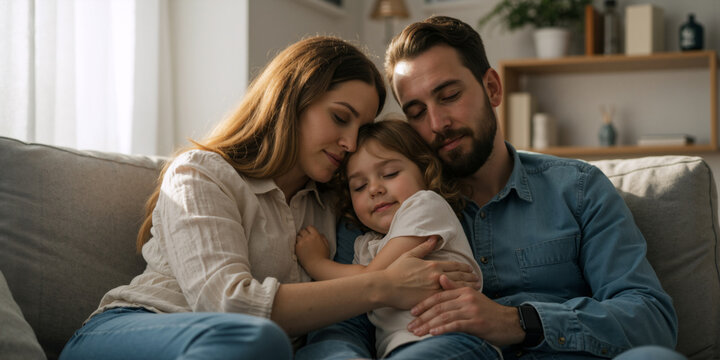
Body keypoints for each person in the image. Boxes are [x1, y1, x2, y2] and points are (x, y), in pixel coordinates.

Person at [58, 36, 480, 360]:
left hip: (256, 350)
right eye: (339, 118)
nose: (351, 143)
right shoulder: (200, 173)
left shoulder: (329, 201)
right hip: (135, 331)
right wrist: (386, 285)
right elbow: (228, 304)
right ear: (291, 100)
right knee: (257, 339)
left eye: (361, 127)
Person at [297, 17, 684, 360]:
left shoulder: (577, 189)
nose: (437, 122)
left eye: (449, 96)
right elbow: (339, 330)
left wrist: (518, 321)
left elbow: (650, 317)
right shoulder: (377, 212)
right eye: (416, 112)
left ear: (493, 89)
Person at [295, 120, 499, 359]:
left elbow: (370, 281)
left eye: (390, 174)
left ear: (424, 170)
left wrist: (315, 263)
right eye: (359, 186)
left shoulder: (426, 205)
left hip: (455, 339)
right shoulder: (365, 243)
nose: (374, 189)